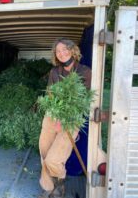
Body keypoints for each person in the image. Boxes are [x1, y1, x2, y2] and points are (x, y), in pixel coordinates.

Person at [38, 38, 91, 198]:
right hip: (52, 116)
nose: (61, 53)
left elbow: (86, 100)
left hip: (70, 120)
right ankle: (48, 187)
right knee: (44, 152)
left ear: (72, 50)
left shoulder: (85, 72)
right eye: (58, 51)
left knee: (54, 159)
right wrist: (53, 108)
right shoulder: (54, 72)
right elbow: (50, 94)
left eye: (64, 49)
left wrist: (67, 113)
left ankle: (60, 183)